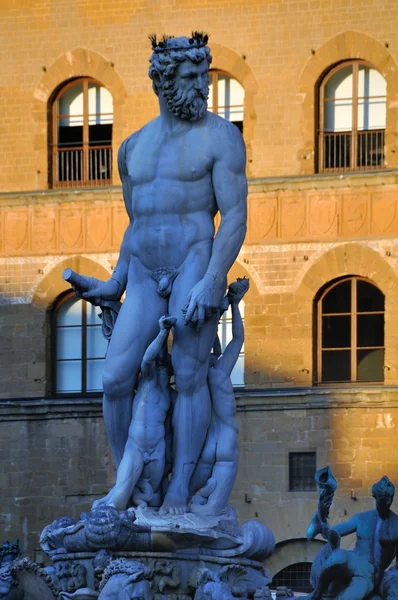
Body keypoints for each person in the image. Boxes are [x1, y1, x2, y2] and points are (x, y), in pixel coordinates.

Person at [64, 32, 247, 515]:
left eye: (203, 76)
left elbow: (234, 217)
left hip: (193, 266)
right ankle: (134, 484)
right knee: (114, 379)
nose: (202, 87)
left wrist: (214, 279)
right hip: (144, 275)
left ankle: (180, 490)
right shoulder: (131, 149)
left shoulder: (221, 138)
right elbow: (136, 225)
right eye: (191, 78)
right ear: (164, 82)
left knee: (189, 375)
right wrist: (115, 282)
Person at [93, 315, 176, 511]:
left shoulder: (170, 396)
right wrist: (163, 332)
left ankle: (142, 518)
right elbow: (147, 359)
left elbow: (172, 429)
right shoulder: (148, 382)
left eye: (164, 366)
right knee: (120, 497)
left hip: (157, 450)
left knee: (154, 498)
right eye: (160, 365)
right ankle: (110, 515)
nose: (160, 368)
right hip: (136, 447)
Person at [190, 277, 249, 515]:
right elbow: (238, 339)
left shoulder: (194, 376)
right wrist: (234, 305)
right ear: (216, 350)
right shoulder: (221, 373)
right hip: (225, 439)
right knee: (214, 510)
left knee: (188, 501)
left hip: (205, 444)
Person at [305, 476, 398, 600]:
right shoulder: (362, 518)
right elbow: (338, 530)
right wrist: (327, 528)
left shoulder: (396, 525)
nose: (387, 501)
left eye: (390, 497)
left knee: (349, 597)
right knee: (336, 557)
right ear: (375, 496)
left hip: (369, 573)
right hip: (354, 558)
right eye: (383, 497)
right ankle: (316, 593)